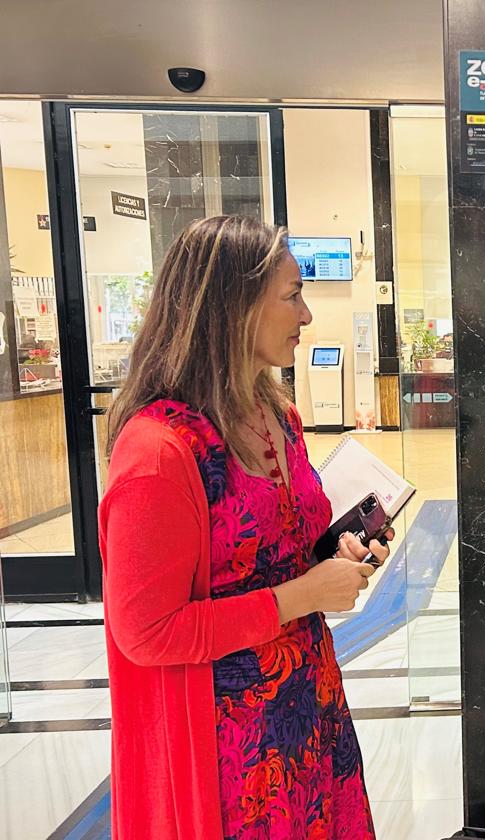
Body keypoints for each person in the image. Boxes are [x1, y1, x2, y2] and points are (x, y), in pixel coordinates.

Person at [101, 215, 391, 839]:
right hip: (228, 755)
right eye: (292, 296)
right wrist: (302, 597)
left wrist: (331, 558)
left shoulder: (275, 414)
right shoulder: (160, 452)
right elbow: (146, 632)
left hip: (309, 715)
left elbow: (279, 549)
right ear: (230, 308)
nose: (308, 315)